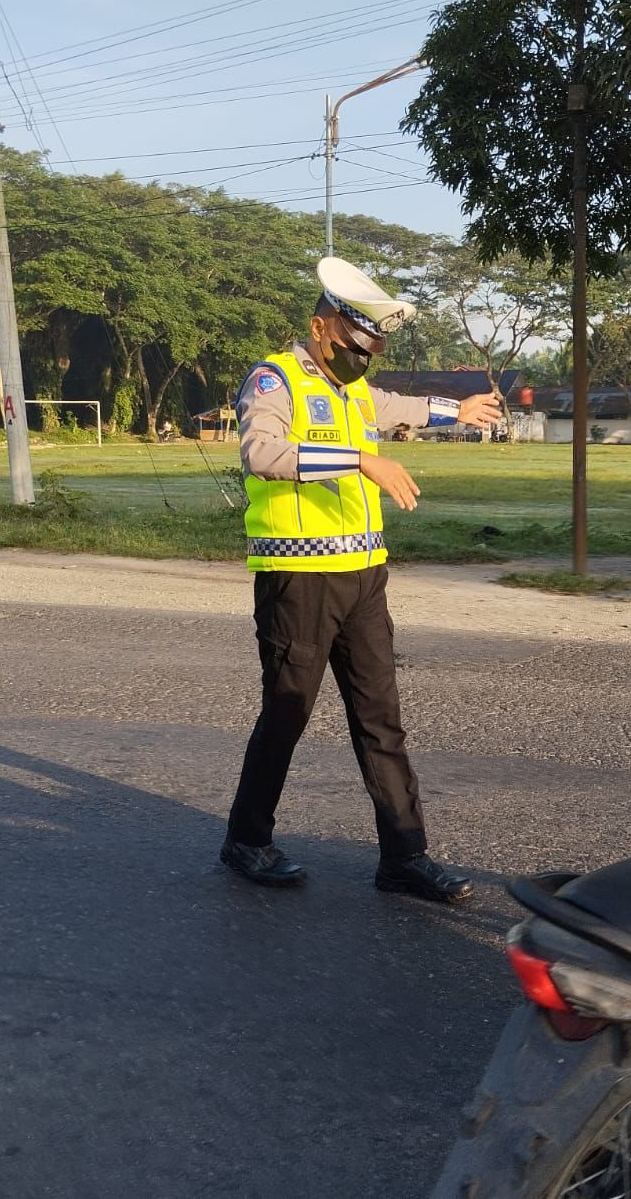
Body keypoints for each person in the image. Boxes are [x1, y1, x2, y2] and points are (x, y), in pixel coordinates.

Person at [219, 257, 503, 902]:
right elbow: (262, 454)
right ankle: (247, 839)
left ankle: (404, 858)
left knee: (381, 719)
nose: (361, 362)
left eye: (370, 352)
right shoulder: (275, 379)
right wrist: (360, 459)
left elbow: (397, 405)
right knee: (288, 714)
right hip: (299, 577)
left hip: (362, 576)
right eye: (353, 347)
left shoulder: (352, 392)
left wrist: (455, 408)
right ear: (321, 329)